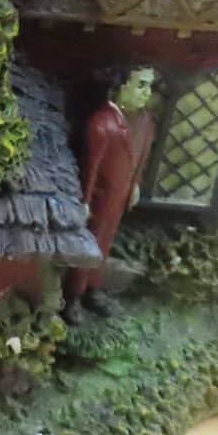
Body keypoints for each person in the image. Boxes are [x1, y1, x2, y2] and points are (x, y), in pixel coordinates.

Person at [67, 66, 158, 306]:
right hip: (101, 198)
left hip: (121, 197)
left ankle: (93, 287)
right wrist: (85, 200)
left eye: (150, 86)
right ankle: (74, 293)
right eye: (141, 85)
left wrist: (135, 185)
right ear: (123, 87)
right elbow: (91, 167)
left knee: (105, 243)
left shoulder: (145, 122)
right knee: (89, 244)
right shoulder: (102, 123)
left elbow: (141, 159)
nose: (147, 92)